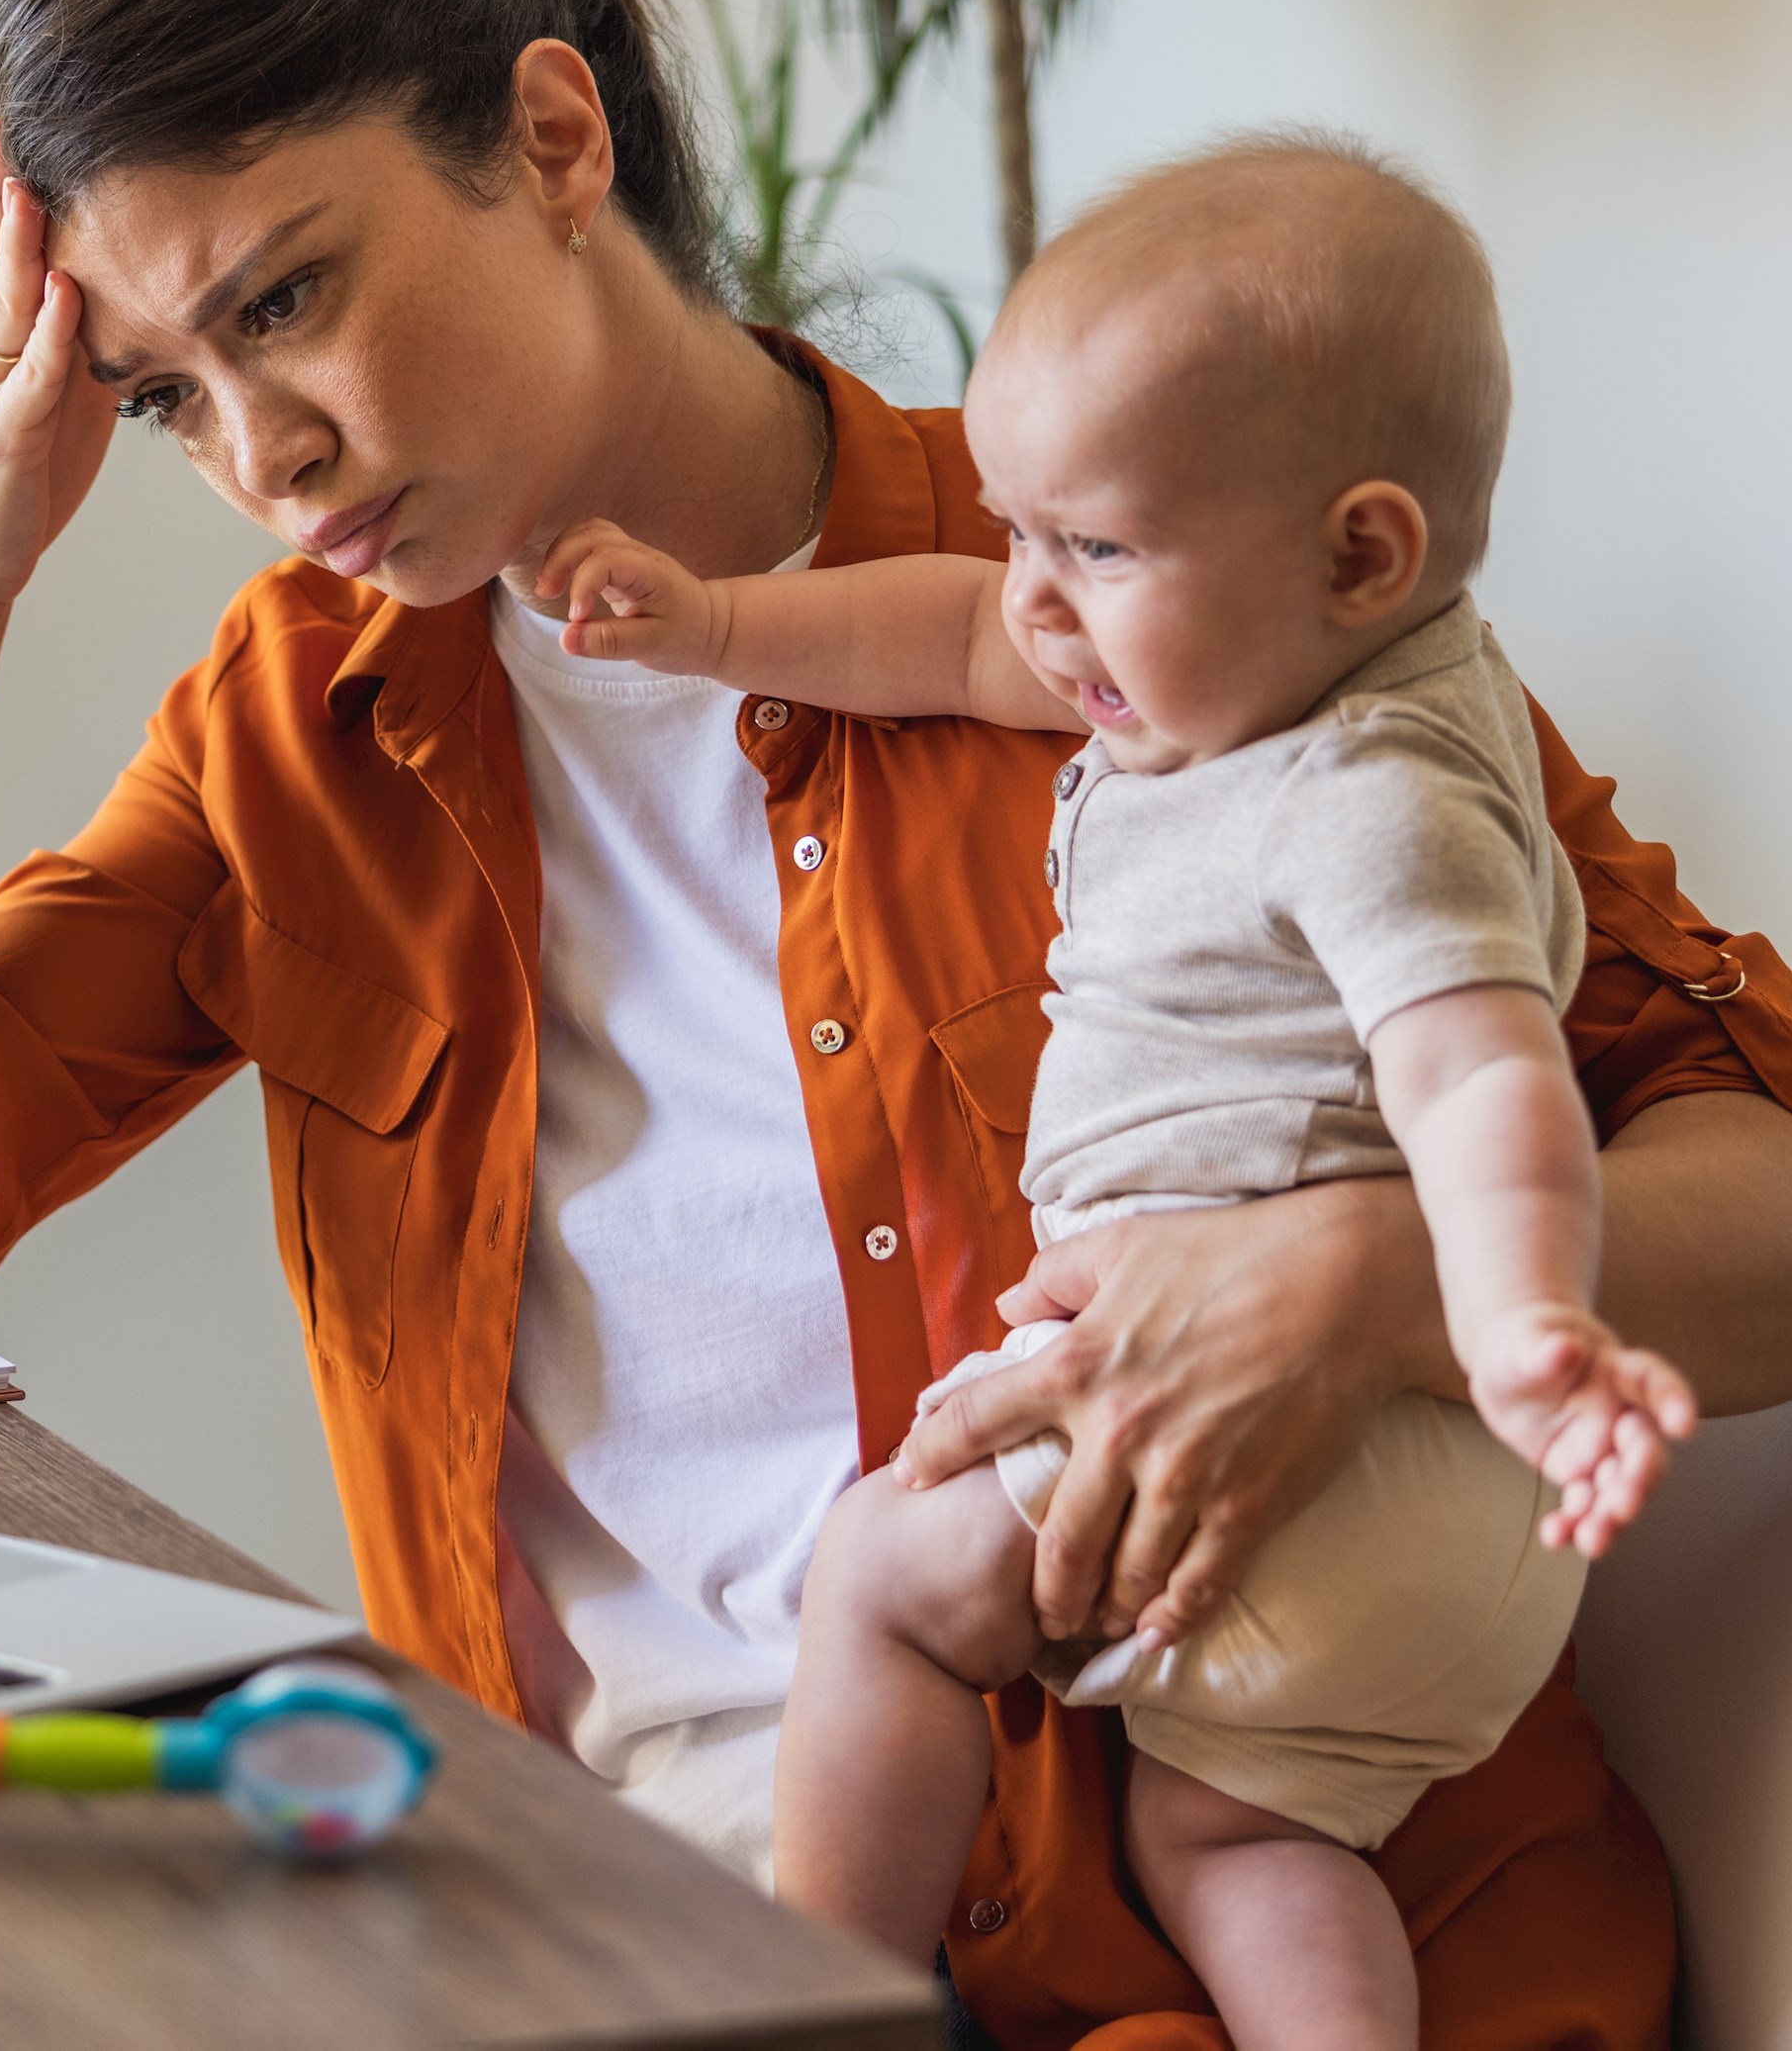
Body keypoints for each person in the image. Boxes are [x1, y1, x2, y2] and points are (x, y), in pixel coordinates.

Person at [0, 0, 1792, 2048]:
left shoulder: (1136, 573)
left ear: (550, 137)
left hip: (1256, 1957)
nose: (257, 453)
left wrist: (1354, 1282)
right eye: (163, 389)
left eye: (289, 294)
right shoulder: (299, 731)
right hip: (619, 1956)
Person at [541, 136, 1696, 2047]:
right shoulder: (1254, 679)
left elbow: (1488, 1075)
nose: (1036, 604)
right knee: (1236, 1837)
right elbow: (948, 641)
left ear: (1361, 551)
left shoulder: (1371, 799)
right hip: (1416, 1557)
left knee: (888, 1582)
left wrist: (1523, 1323)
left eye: (1093, 547)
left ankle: (800, 2011)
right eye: (1017, 528)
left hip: (1322, 1441)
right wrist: (720, 628)